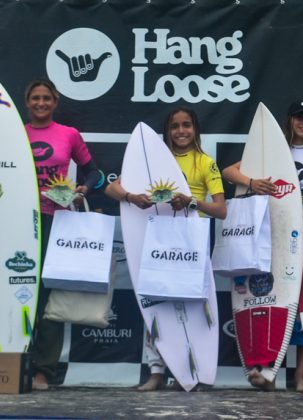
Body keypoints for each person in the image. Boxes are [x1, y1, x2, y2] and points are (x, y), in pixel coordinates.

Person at [0, 79, 101, 390]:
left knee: (49, 298)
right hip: (12, 223)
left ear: (55, 102)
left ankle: (44, 370)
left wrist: (83, 188)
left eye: (46, 98)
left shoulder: (68, 134)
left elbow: (94, 173)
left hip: (56, 222)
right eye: (35, 98)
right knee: (11, 289)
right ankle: (5, 360)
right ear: (26, 103)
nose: (41, 103)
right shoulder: (12, 132)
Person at [222, 100, 303, 392]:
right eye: (299, 117)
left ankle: (300, 376)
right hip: (269, 233)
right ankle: (264, 367)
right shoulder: (272, 153)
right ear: (290, 120)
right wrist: (252, 182)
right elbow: (229, 172)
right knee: (266, 295)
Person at [105, 106, 226, 391]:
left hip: (191, 242)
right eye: (174, 126)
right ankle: (157, 371)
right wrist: (131, 197)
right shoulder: (153, 161)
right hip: (157, 241)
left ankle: (195, 370)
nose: (181, 131)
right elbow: (112, 190)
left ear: (195, 129)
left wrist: (192, 202)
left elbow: (220, 210)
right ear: (167, 131)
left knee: (194, 304)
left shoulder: (205, 163)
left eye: (186, 125)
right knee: (156, 303)